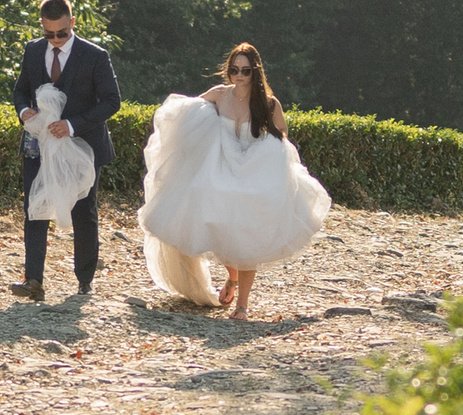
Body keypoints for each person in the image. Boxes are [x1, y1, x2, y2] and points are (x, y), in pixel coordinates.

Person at [138, 42, 331, 319]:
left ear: (256, 72)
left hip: (254, 170)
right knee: (213, 215)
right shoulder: (218, 95)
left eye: (245, 70)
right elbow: (185, 114)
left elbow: (283, 141)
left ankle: (242, 305)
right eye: (234, 69)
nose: (239, 75)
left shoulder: (268, 103)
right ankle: (232, 276)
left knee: (247, 228)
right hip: (222, 165)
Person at [10, 0, 120, 301]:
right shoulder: (33, 50)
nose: (55, 40)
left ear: (72, 23)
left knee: (84, 211)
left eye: (61, 33)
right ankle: (33, 280)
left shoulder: (95, 56)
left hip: (82, 143)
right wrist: (23, 111)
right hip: (38, 141)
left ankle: (84, 279)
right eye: (49, 34)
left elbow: (113, 101)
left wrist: (72, 125)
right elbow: (20, 90)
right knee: (34, 207)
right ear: (42, 27)